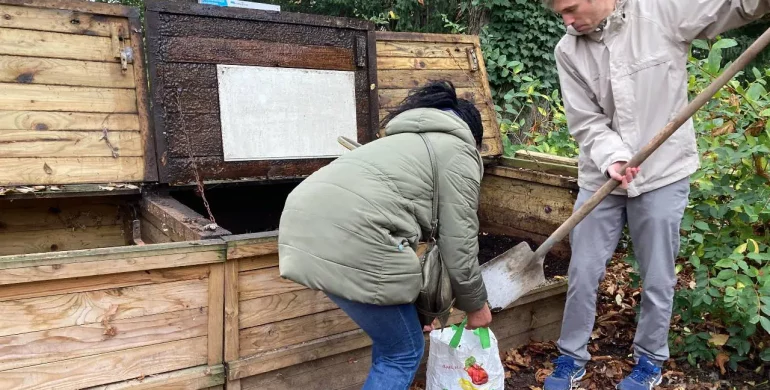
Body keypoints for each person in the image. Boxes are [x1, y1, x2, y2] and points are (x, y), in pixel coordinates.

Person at [541, 0, 770, 389]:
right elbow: (586, 121)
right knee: (582, 270)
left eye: (571, 8)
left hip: (663, 172)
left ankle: (649, 361)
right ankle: (571, 357)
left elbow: (734, 7)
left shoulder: (661, 12)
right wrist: (613, 158)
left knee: (658, 276)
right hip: (602, 176)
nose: (566, 20)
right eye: (559, 12)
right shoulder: (569, 50)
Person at [277, 80, 493, 390]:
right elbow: (458, 242)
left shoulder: (401, 143)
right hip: (354, 234)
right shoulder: (459, 151)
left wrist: (420, 310)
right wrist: (476, 306)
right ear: (473, 136)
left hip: (301, 224)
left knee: (393, 343)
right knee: (403, 353)